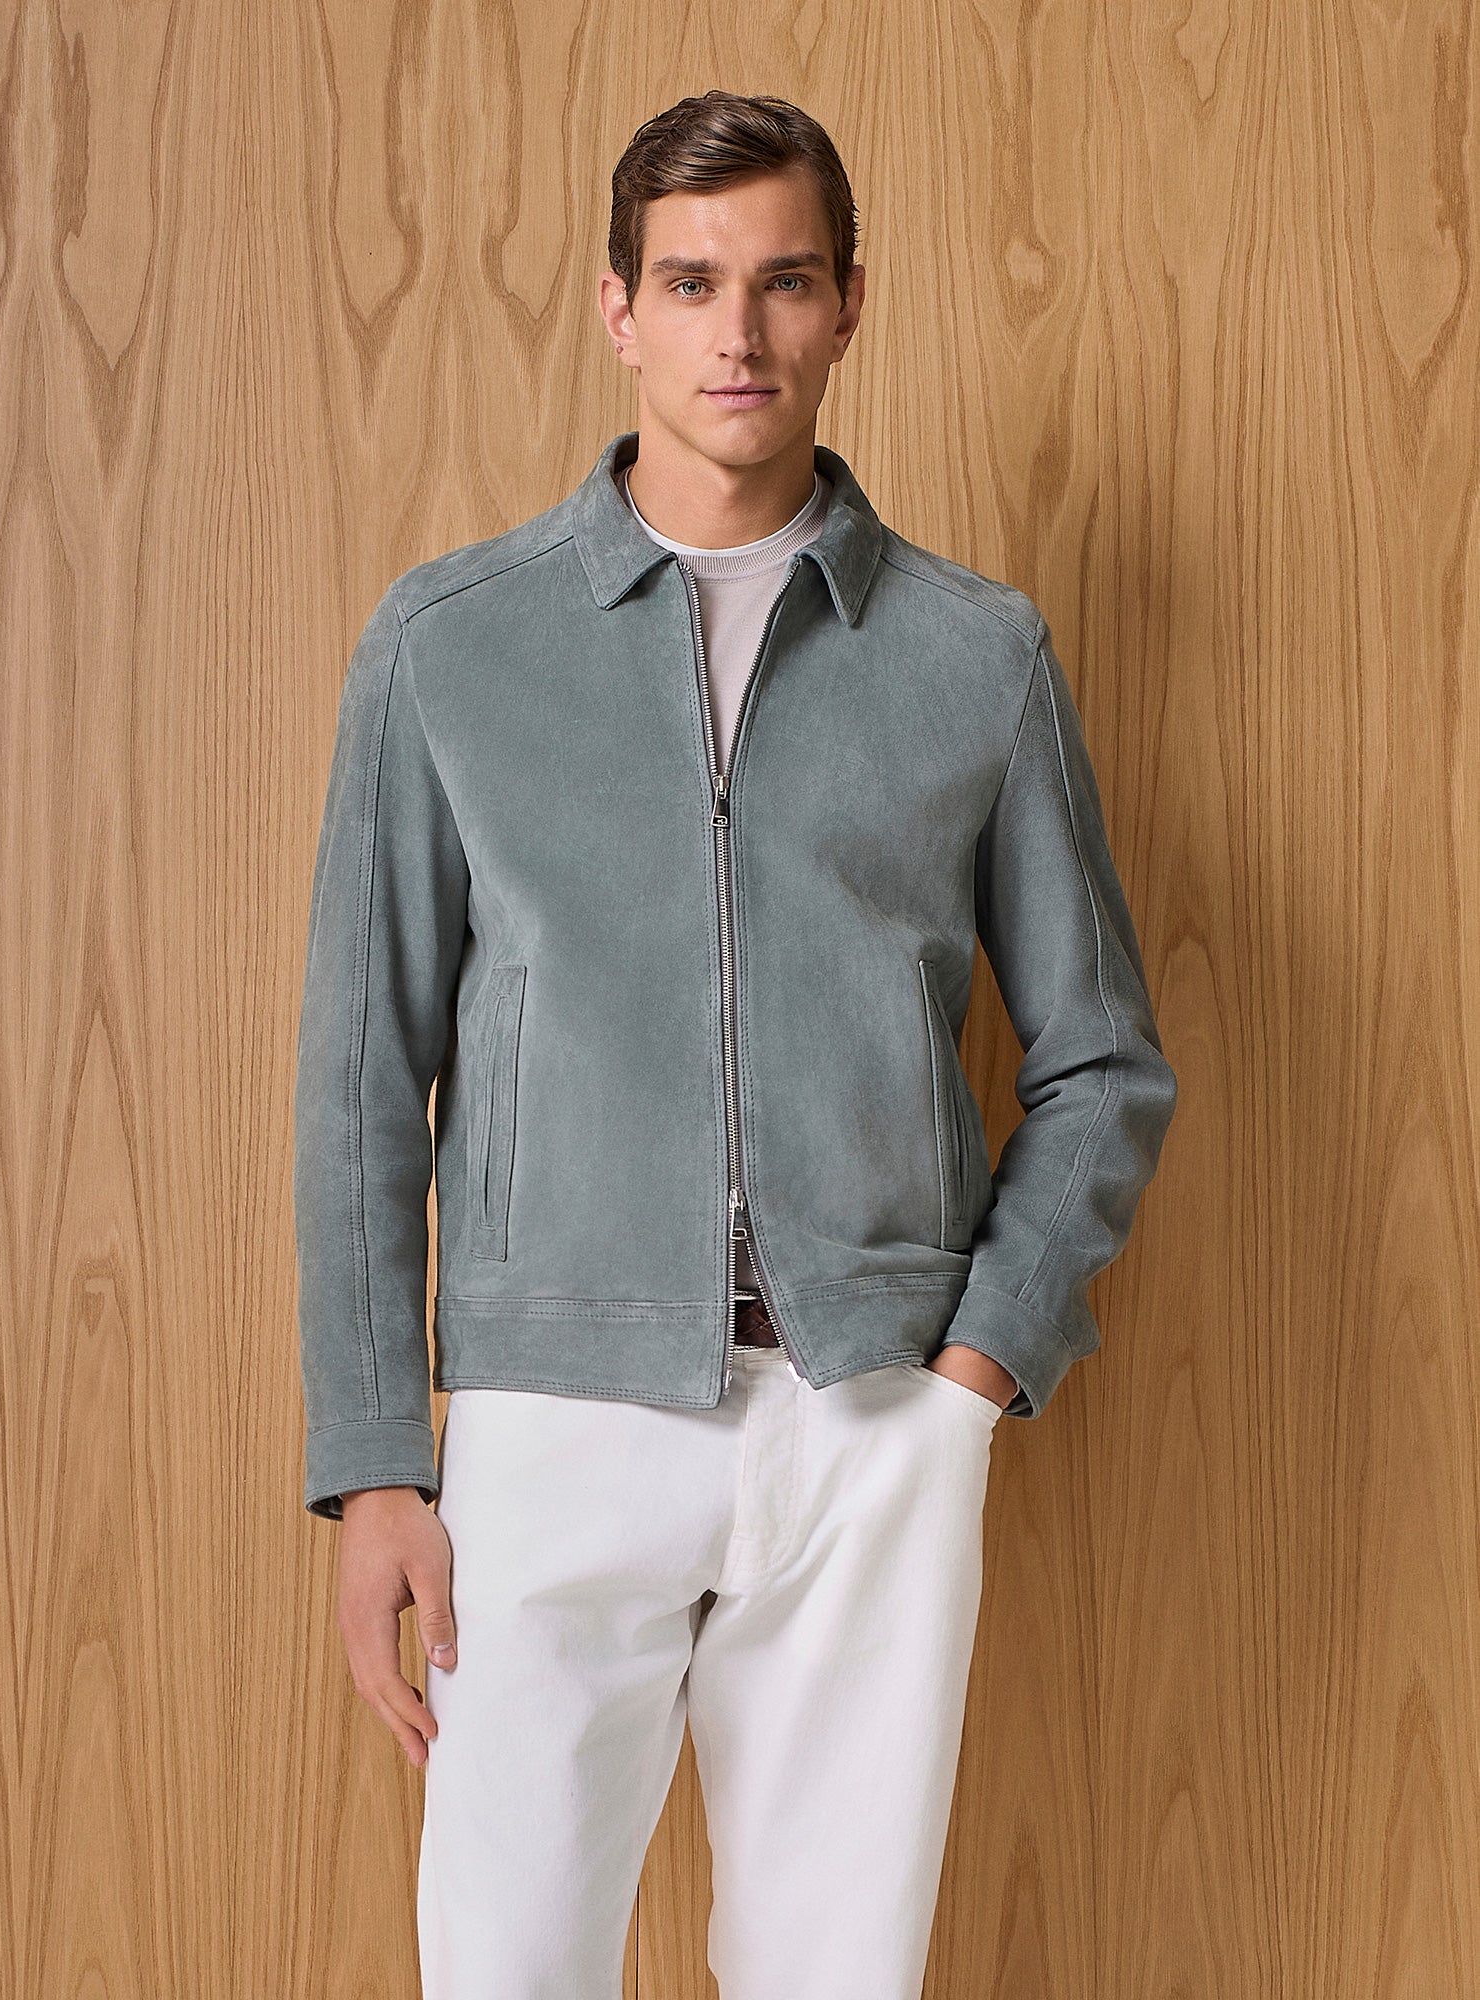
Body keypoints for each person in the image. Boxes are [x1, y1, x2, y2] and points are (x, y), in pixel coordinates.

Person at [293, 88, 1178, 2000]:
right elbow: (363, 1080)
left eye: (784, 281)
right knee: (506, 1971)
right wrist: (373, 1463)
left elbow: (1103, 1059)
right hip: (552, 1417)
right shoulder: (453, 645)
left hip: (869, 1416)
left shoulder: (975, 657)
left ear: (849, 303)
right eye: (692, 283)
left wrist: (971, 1376)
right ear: (620, 307)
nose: (740, 333)